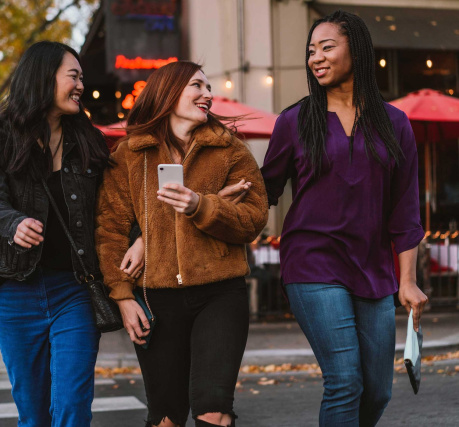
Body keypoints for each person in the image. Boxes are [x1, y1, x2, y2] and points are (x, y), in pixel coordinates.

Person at [261, 10, 428, 427]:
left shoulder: (395, 124)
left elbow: (405, 211)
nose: (316, 57)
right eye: (311, 50)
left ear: (357, 50)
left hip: (372, 270)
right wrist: (228, 193)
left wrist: (406, 280)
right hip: (312, 263)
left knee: (378, 389)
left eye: (327, 47)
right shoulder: (295, 121)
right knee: (344, 381)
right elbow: (265, 189)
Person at [95, 61, 268, 427]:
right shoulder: (130, 154)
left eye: (208, 87)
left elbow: (253, 220)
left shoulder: (230, 151)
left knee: (214, 413)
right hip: (155, 297)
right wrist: (123, 296)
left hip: (221, 291)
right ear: (168, 93)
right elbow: (110, 230)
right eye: (197, 86)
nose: (208, 95)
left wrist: (201, 205)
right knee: (166, 419)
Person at [0, 41, 144, 427]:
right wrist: (13, 223)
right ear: (44, 77)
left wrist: (141, 235)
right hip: (15, 291)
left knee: (72, 408)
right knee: (32, 412)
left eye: (82, 76)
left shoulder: (89, 140)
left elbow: (116, 208)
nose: (81, 84)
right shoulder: (4, 135)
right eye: (73, 76)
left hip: (75, 290)